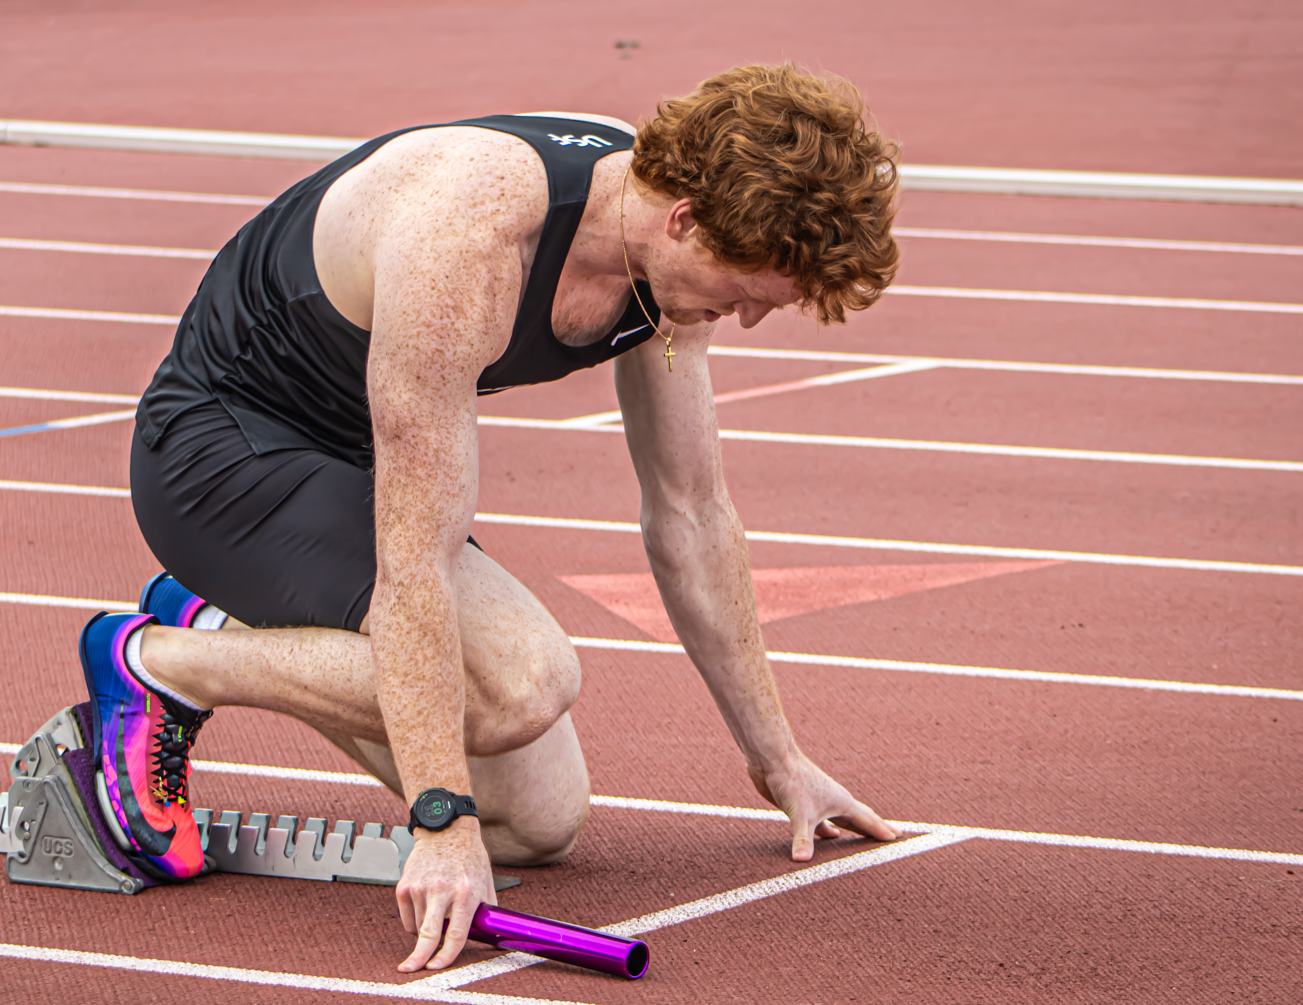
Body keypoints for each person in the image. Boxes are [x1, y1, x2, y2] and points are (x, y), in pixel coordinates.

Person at [75, 64, 903, 972]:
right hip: (223, 460)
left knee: (533, 825)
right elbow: (414, 559)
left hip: (352, 471)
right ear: (685, 218)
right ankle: (157, 663)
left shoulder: (674, 247)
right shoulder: (467, 238)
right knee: (520, 683)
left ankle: (241, 623)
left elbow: (692, 513)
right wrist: (438, 821)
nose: (744, 319)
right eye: (747, 290)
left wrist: (779, 760)